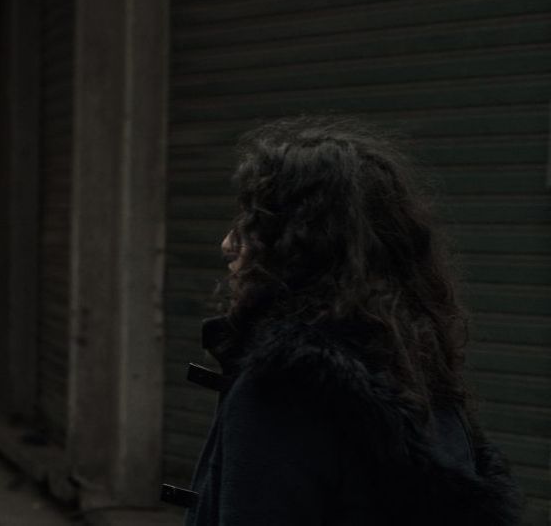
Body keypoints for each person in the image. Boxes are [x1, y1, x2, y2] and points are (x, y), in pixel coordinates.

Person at [182, 117, 521, 525]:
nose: (227, 244)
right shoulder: (411, 369)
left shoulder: (283, 389)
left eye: (253, 224)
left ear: (303, 247)